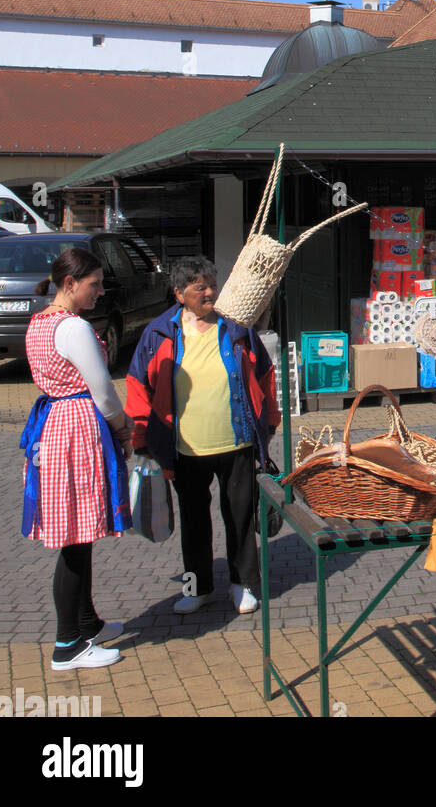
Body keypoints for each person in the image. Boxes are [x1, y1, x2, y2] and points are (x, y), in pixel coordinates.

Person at [126, 256, 281, 614]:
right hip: (184, 448)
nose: (210, 292)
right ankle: (197, 588)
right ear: (179, 293)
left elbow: (265, 378)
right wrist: (141, 440)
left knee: (239, 518)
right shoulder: (158, 332)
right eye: (200, 287)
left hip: (236, 442)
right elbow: (137, 386)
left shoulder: (237, 328)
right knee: (194, 521)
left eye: (212, 284)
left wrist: (269, 424)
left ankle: (243, 585)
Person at [19, 246, 134, 670]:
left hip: (55, 428)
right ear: (70, 283)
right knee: (75, 540)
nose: (101, 291)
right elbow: (103, 391)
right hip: (77, 430)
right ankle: (68, 644)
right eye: (95, 283)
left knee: (77, 533)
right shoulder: (73, 328)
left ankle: (87, 622)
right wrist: (123, 429)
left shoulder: (39, 323)